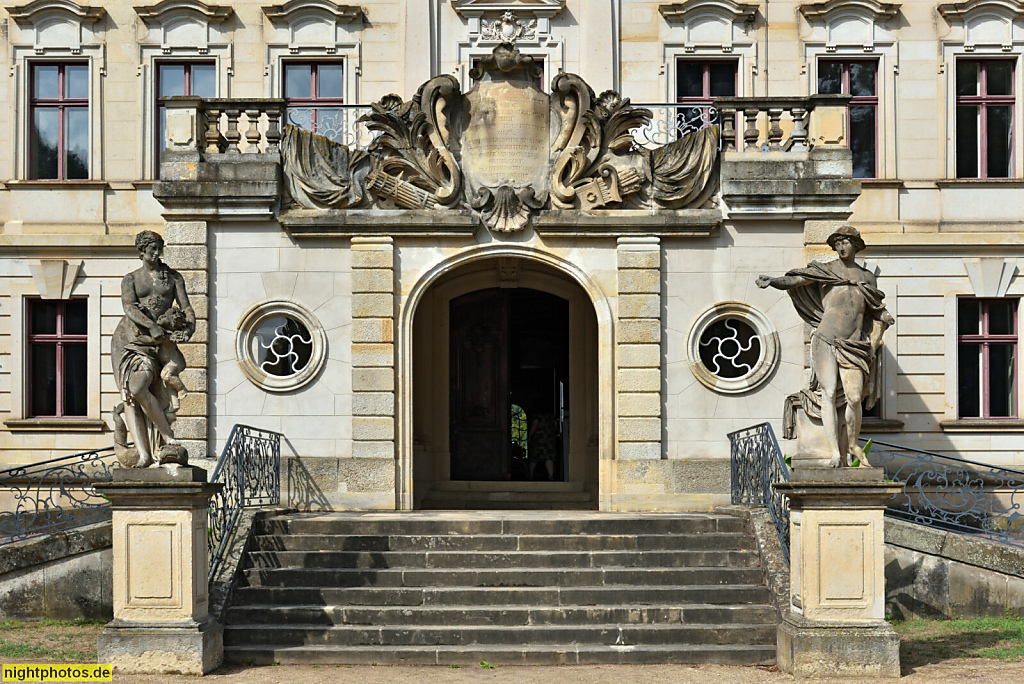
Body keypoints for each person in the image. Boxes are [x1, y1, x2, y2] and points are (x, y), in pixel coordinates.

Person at [756, 225, 894, 467]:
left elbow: (875, 309)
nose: (841, 246)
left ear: (856, 245)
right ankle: (835, 454)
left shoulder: (867, 277)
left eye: (846, 242)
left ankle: (852, 444)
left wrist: (884, 317)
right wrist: (774, 281)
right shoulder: (825, 270)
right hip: (826, 339)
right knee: (828, 393)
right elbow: (796, 279)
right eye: (837, 242)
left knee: (853, 397)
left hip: (854, 344)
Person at [111, 231, 195, 467]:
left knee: (141, 390)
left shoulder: (174, 278)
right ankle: (145, 454)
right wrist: (151, 325)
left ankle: (166, 439)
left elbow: (187, 308)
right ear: (141, 252)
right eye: (152, 249)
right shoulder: (131, 279)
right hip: (130, 339)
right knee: (132, 394)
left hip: (159, 343)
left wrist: (188, 329)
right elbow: (129, 308)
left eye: (159, 247)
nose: (157, 252)